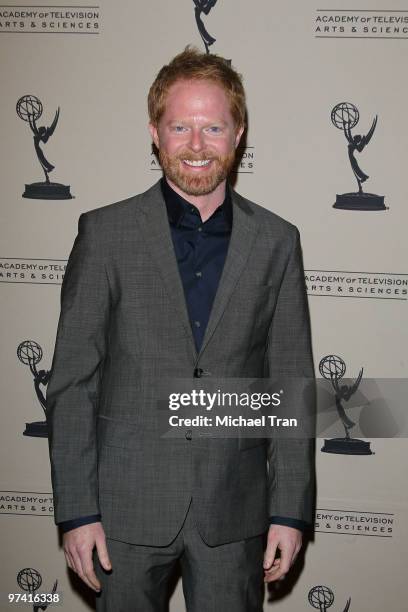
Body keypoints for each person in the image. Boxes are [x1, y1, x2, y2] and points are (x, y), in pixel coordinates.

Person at [46, 47, 315, 612]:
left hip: (234, 510)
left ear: (238, 133)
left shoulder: (276, 241)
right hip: (121, 510)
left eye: (213, 126)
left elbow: (291, 381)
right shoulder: (105, 234)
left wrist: (289, 511)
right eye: (180, 127)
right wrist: (77, 511)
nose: (196, 145)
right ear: (155, 133)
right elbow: (72, 383)